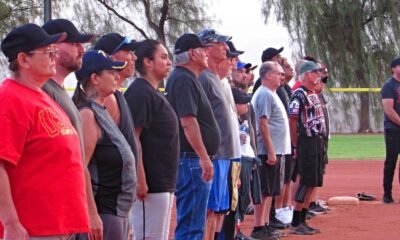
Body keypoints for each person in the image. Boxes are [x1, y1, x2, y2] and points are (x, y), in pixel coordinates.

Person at [0, 23, 89, 239]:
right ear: (23, 60)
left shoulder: (40, 96)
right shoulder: (10, 98)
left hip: (59, 225)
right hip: (34, 228)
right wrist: (11, 223)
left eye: (53, 50)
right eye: (47, 51)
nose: (53, 56)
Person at [41, 19, 103, 239]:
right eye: (75, 43)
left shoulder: (56, 91)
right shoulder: (41, 92)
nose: (81, 49)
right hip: (47, 218)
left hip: (65, 215)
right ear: (54, 47)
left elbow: (75, 159)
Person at [72, 50, 137, 240]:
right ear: (95, 78)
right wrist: (92, 214)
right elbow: (80, 167)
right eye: (110, 72)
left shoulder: (101, 110)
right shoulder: (87, 114)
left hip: (117, 211)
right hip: (104, 212)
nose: (116, 76)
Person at [166, 33, 220, 240]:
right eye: (202, 49)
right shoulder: (182, 78)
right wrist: (204, 156)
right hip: (191, 160)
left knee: (194, 223)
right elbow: (187, 121)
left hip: (191, 160)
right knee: (191, 225)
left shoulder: (187, 78)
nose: (207, 53)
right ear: (191, 53)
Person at [124, 39, 178, 240]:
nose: (168, 62)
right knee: (148, 236)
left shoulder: (151, 91)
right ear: (147, 61)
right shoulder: (140, 92)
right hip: (151, 184)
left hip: (162, 182)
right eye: (163, 57)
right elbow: (133, 138)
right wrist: (140, 178)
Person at [197, 28, 237, 240]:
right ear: (206, 48)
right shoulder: (203, 78)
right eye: (219, 44)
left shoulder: (214, 78)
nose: (225, 48)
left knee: (217, 209)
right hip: (214, 155)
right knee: (208, 210)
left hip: (224, 154)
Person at [251, 61, 291, 240]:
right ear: (267, 75)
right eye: (278, 73)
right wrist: (270, 150)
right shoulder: (265, 94)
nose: (281, 77)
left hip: (275, 149)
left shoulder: (272, 93)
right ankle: (259, 227)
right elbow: (262, 123)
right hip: (266, 151)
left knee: (270, 191)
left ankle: (265, 224)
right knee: (265, 190)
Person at [288, 61, 325, 235]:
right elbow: (293, 120)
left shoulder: (313, 93)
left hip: (316, 141)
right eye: (315, 72)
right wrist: (296, 144)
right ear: (307, 74)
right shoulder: (299, 95)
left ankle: (302, 218)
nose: (318, 75)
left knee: (313, 180)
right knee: (306, 180)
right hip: (306, 141)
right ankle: (296, 221)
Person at [94, 33, 140, 161]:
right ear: (112, 58)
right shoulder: (107, 99)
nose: (134, 57)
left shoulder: (116, 95)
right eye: (129, 52)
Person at [381, 56, 400, 204]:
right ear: (393, 69)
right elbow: (389, 110)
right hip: (393, 129)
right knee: (391, 161)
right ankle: (387, 194)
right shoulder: (389, 86)